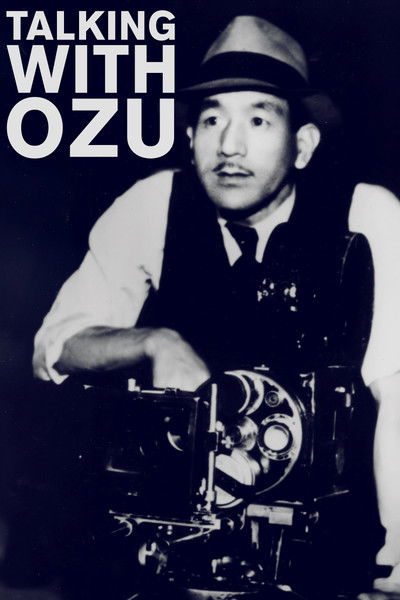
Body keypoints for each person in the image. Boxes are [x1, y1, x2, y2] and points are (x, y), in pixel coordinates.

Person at [33, 15, 400, 596]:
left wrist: (397, 567)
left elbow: (399, 394)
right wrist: (154, 342)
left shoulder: (368, 216)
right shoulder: (155, 202)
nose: (230, 146)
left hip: (327, 563)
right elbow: (55, 347)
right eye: (211, 120)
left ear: (302, 145)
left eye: (259, 119)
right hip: (181, 557)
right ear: (189, 138)